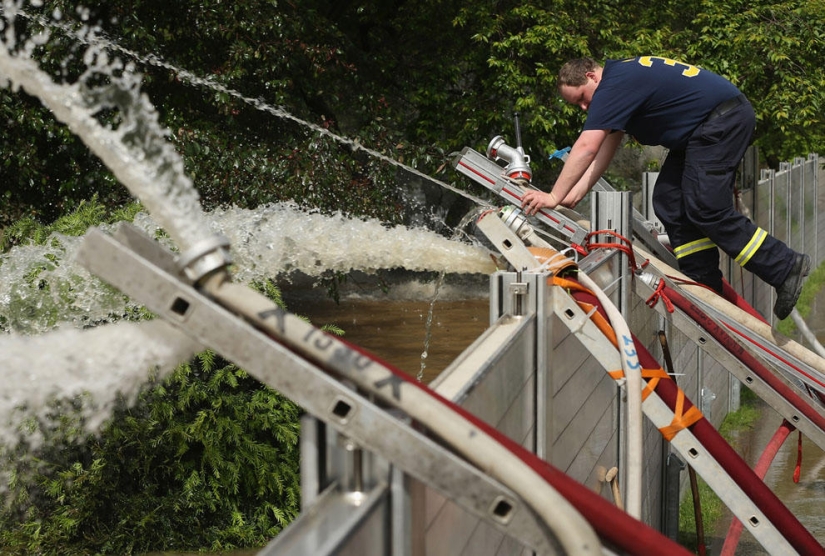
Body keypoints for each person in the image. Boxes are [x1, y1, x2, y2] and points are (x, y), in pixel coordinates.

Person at [521, 56, 810, 320]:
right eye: (579, 106)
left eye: (582, 99)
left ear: (591, 75)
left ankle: (785, 266)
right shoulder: (620, 79)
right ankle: (704, 287)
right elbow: (607, 143)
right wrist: (576, 192)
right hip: (704, 129)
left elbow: (587, 146)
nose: (585, 108)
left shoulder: (613, 85)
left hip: (720, 123)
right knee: (670, 200)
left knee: (707, 206)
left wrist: (553, 195)